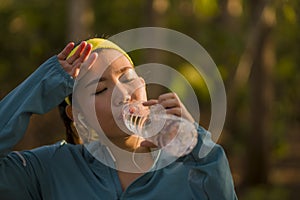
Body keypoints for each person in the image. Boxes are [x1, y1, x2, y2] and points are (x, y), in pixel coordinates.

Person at [0, 38, 237, 199]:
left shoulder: (190, 168)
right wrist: (44, 82)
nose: (123, 95)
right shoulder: (50, 169)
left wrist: (194, 142)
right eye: (100, 90)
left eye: (126, 79)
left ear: (142, 85)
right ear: (77, 115)